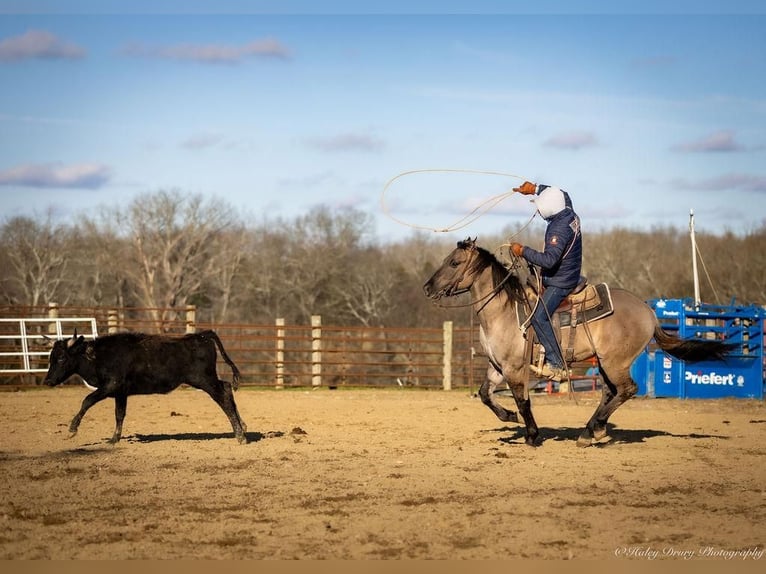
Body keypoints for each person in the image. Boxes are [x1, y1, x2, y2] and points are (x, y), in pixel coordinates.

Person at [510, 180, 583, 382]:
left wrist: (523, 251)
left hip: (561, 280)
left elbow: (549, 261)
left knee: (539, 317)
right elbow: (563, 192)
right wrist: (535, 188)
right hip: (571, 271)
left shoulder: (558, 230)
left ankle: (556, 363)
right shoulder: (568, 210)